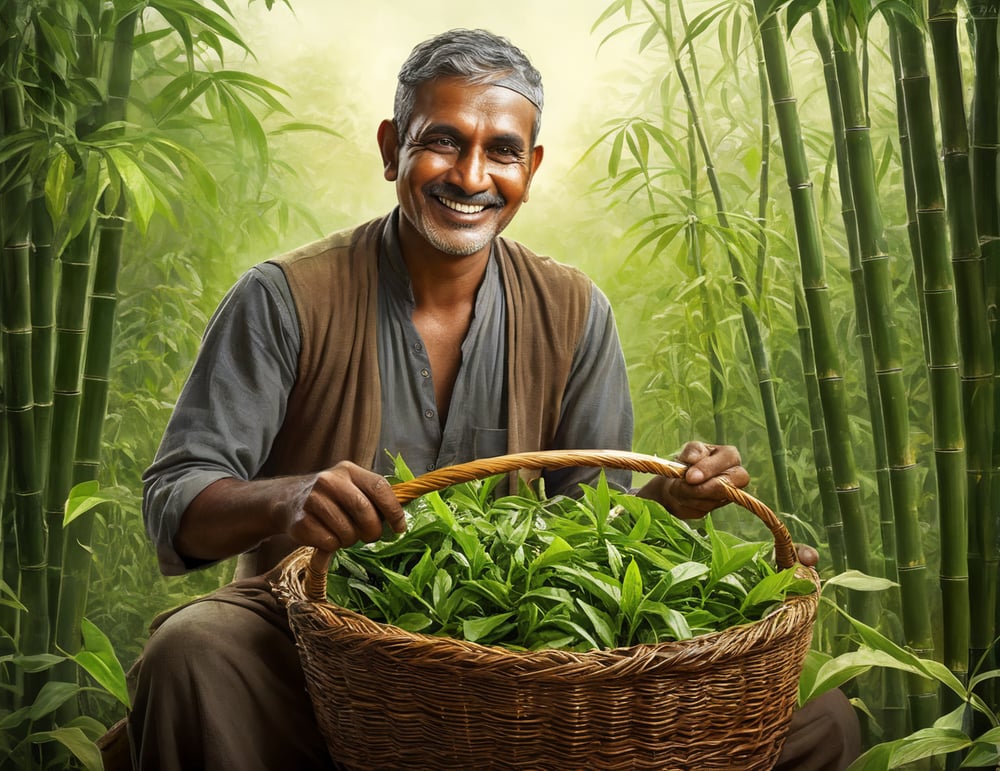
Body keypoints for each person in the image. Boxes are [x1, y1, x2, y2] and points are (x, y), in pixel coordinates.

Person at [129, 27, 860, 770]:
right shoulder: (286, 297)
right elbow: (175, 498)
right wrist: (288, 501)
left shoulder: (573, 308)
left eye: (503, 150)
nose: (471, 174)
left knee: (825, 721)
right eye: (442, 141)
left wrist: (670, 505)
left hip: (510, 647)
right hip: (311, 641)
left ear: (530, 166)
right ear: (392, 149)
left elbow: (590, 529)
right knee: (190, 652)